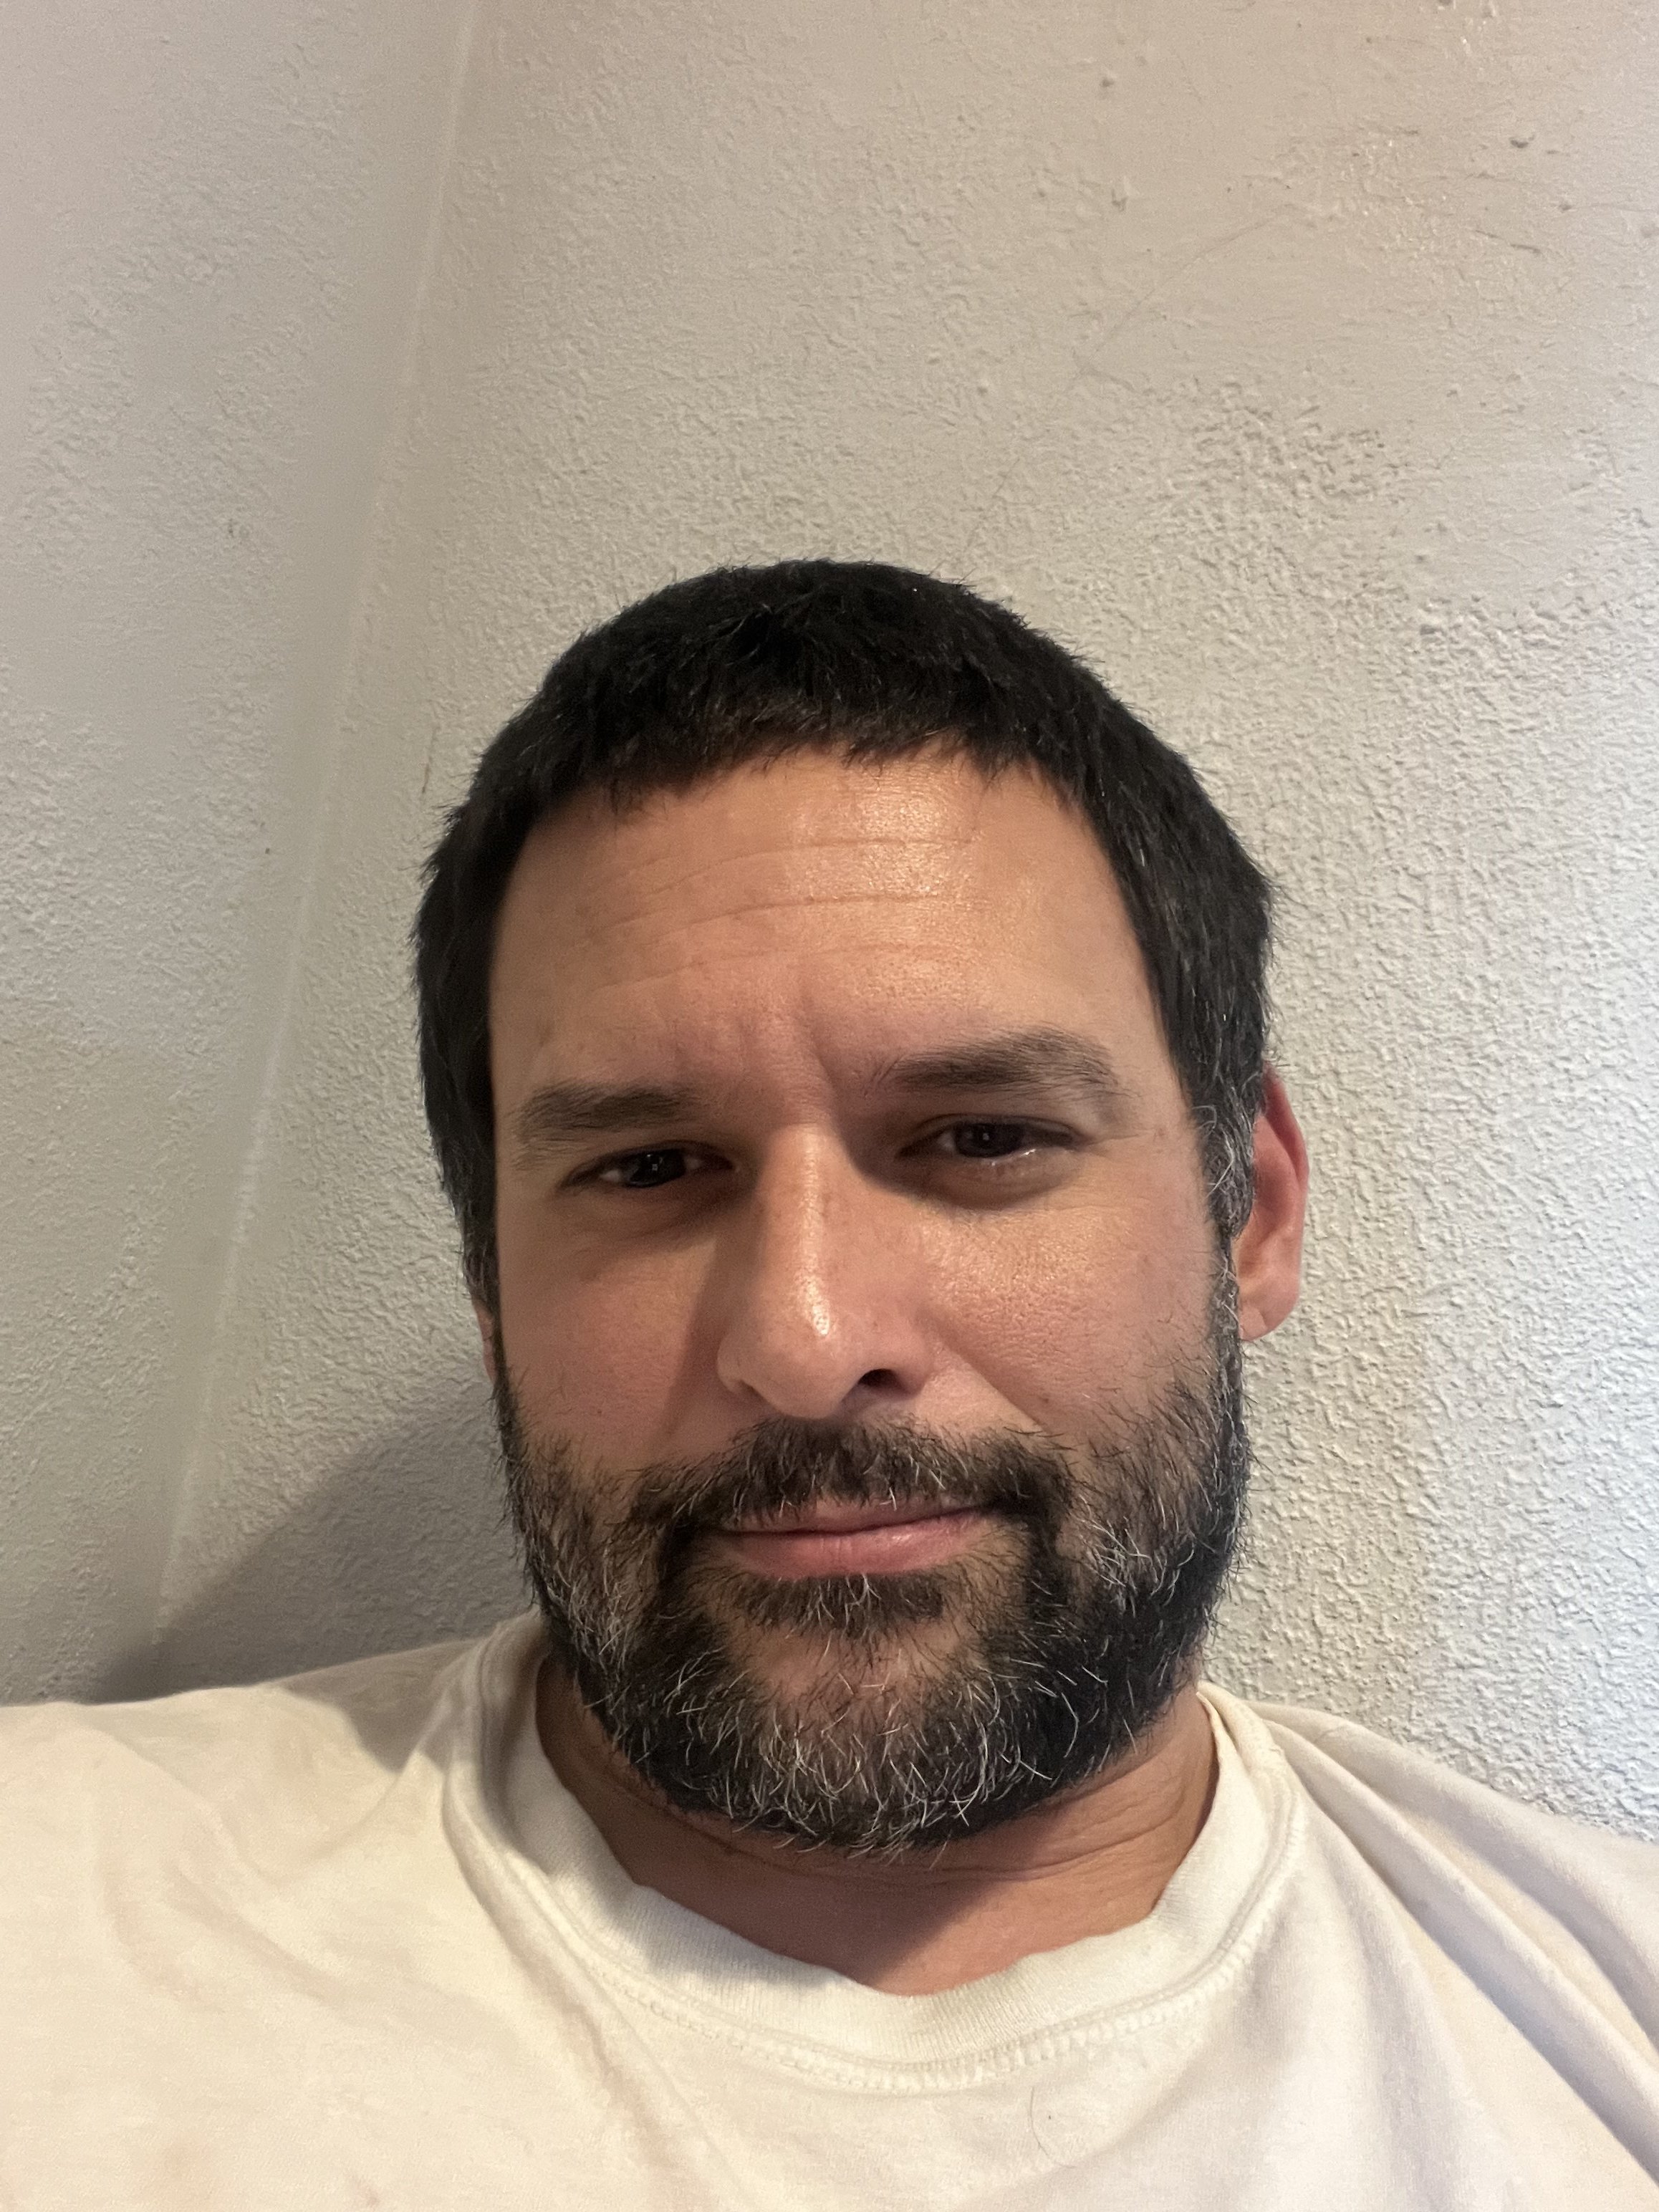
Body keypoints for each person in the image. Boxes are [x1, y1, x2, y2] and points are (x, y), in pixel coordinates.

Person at [2, 562, 1655, 2209]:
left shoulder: (1606, 2032)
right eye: (650, 1166)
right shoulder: (56, 1903)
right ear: (491, 1284)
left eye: (982, 1137)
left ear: (1254, 1213)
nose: (803, 1338)